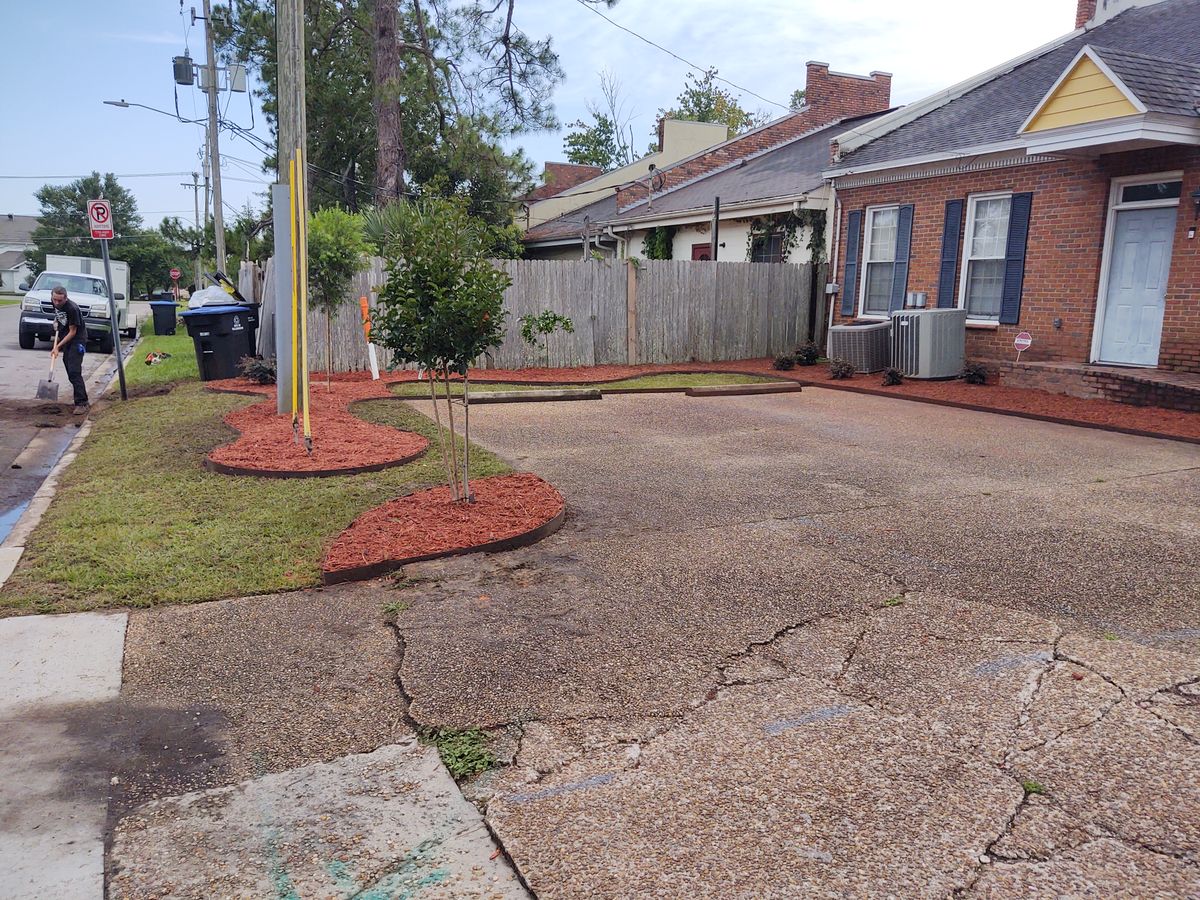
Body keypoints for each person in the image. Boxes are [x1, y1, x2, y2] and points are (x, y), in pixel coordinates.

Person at [50, 285, 89, 413]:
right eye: (54, 299)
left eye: (59, 301)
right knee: (69, 369)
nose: (56, 303)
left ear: (65, 298)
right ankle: (80, 399)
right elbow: (60, 318)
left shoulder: (72, 308)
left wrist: (57, 346)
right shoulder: (55, 303)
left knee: (74, 371)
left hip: (78, 341)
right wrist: (56, 322)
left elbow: (73, 332)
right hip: (66, 339)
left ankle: (82, 403)